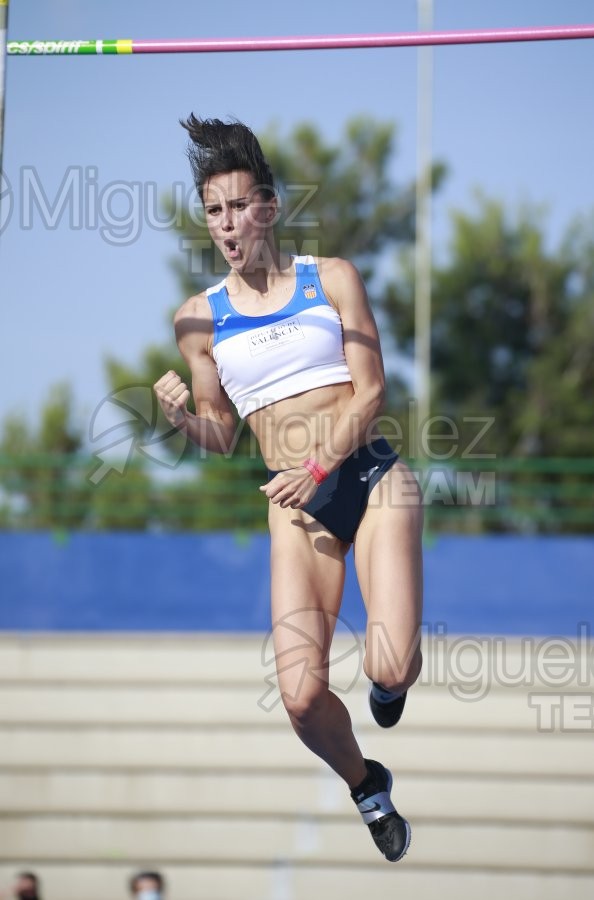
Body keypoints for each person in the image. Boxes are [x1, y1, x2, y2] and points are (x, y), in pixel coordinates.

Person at [154, 116, 424, 862]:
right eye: (214, 211)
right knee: (301, 697)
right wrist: (181, 418)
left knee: (390, 666)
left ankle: (389, 687)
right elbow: (221, 433)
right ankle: (368, 783)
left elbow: (370, 393)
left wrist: (315, 469)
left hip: (367, 481)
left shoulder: (329, 278)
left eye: (239, 208)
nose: (227, 225)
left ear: (269, 208)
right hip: (295, 512)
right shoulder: (198, 318)